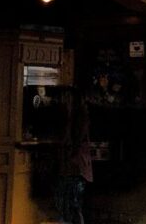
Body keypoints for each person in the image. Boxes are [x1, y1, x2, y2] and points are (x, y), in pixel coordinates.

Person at [56, 93, 93, 224]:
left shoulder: (78, 119)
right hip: (76, 169)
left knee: (71, 203)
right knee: (73, 204)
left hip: (74, 168)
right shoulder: (79, 118)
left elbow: (76, 139)